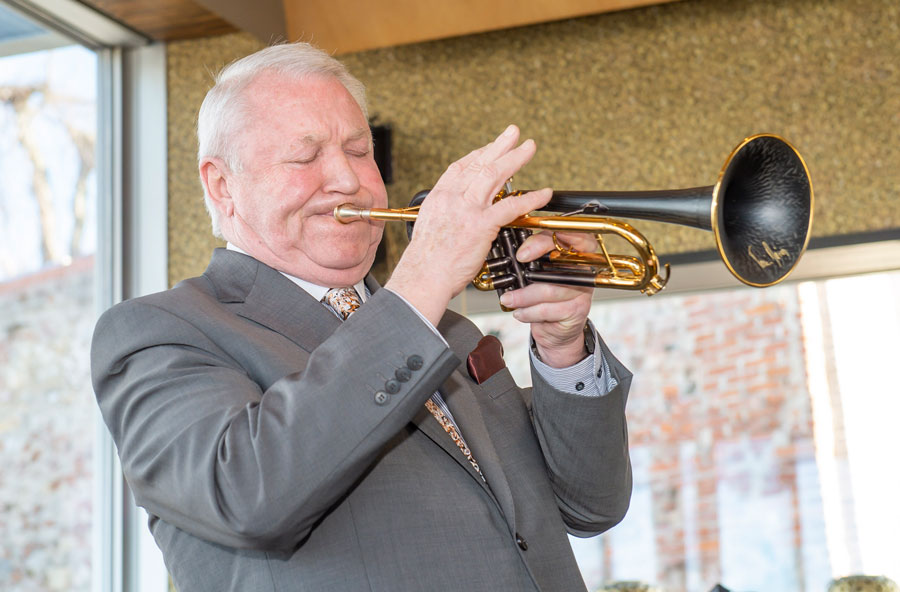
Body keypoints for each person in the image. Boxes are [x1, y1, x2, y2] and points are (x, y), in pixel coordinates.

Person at [91, 42, 633, 592]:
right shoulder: (158, 333)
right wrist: (423, 280)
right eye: (305, 158)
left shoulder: (444, 330)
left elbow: (589, 507)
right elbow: (247, 494)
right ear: (222, 186)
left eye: (358, 150)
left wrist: (564, 347)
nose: (348, 181)